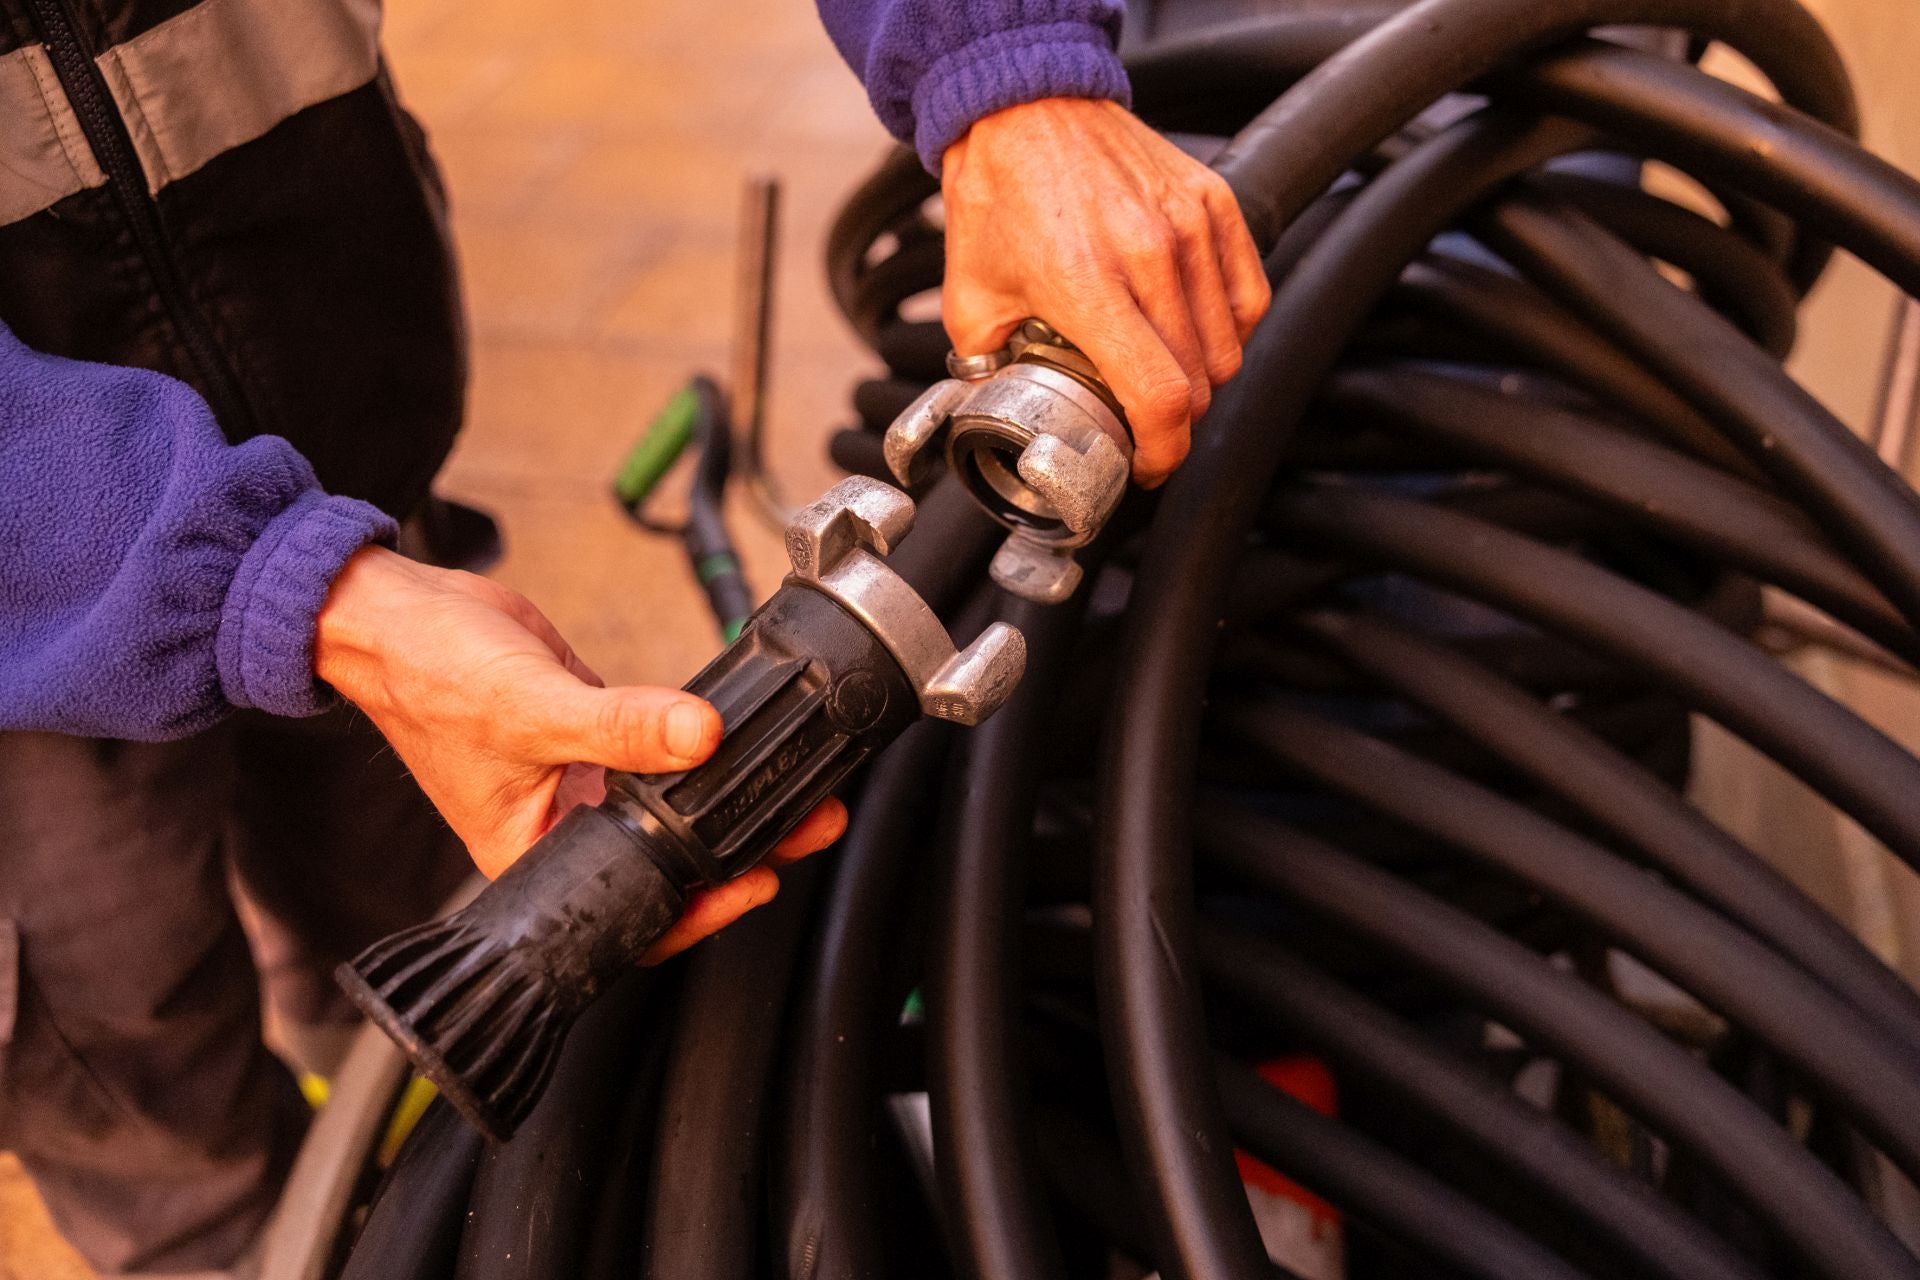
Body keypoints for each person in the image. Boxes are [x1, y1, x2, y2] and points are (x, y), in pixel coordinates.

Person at [0, 0, 1268, 1273]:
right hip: (25, 643)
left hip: (347, 462)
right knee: (144, 1085)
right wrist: (284, 588)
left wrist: (1004, 70)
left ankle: (417, 1160)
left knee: (401, 886)